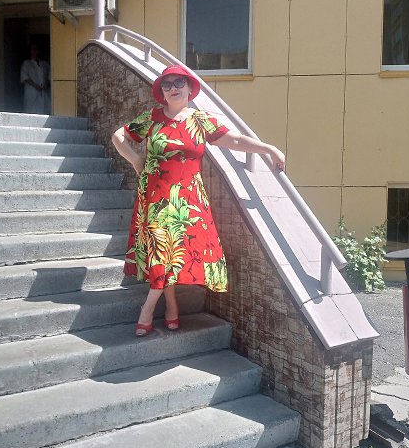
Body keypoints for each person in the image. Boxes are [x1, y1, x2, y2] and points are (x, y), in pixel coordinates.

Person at [112, 64, 285, 337]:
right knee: (162, 250)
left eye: (178, 82)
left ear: (190, 88)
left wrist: (268, 148)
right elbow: (118, 136)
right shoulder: (152, 118)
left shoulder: (200, 120)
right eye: (167, 84)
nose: (173, 88)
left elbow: (235, 141)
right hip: (156, 197)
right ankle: (149, 309)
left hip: (188, 199)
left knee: (173, 253)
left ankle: (171, 305)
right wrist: (135, 160)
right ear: (162, 92)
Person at [20, 43, 51, 114]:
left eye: (36, 49)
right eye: (33, 49)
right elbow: (24, 77)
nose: (35, 51)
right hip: (32, 93)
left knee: (44, 112)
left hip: (44, 92)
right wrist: (35, 86)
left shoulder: (44, 64)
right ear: (30, 51)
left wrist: (46, 83)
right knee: (32, 113)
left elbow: (50, 74)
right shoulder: (26, 63)